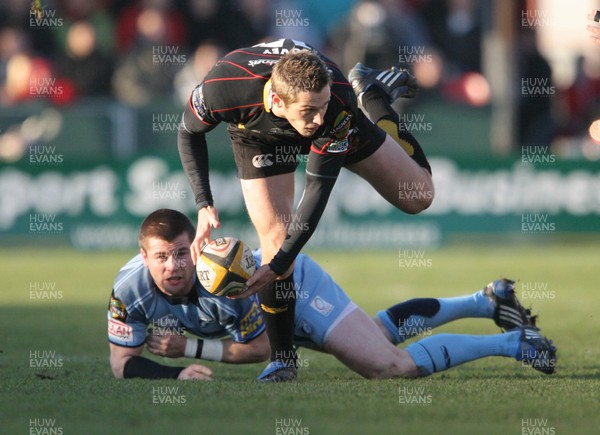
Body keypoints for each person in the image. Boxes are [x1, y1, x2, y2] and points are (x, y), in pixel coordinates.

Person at [177, 38, 434, 380]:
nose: (317, 118)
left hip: (346, 116)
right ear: (277, 100)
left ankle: (371, 94)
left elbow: (316, 190)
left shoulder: (335, 107)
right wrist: (203, 204)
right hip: (258, 136)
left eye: (321, 106)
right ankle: (282, 360)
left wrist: (279, 265)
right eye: (309, 111)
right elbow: (188, 132)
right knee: (275, 237)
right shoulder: (224, 86)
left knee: (419, 196)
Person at [107, 209, 557, 381]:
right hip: (278, 304)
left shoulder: (229, 283)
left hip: (296, 286)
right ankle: (485, 302)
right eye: (162, 257)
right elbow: (121, 363)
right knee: (378, 333)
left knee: (386, 364)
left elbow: (264, 347)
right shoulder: (128, 291)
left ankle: (516, 344)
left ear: (197, 247)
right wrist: (174, 377)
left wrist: (188, 348)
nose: (175, 266)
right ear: (143, 257)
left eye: (182, 254)